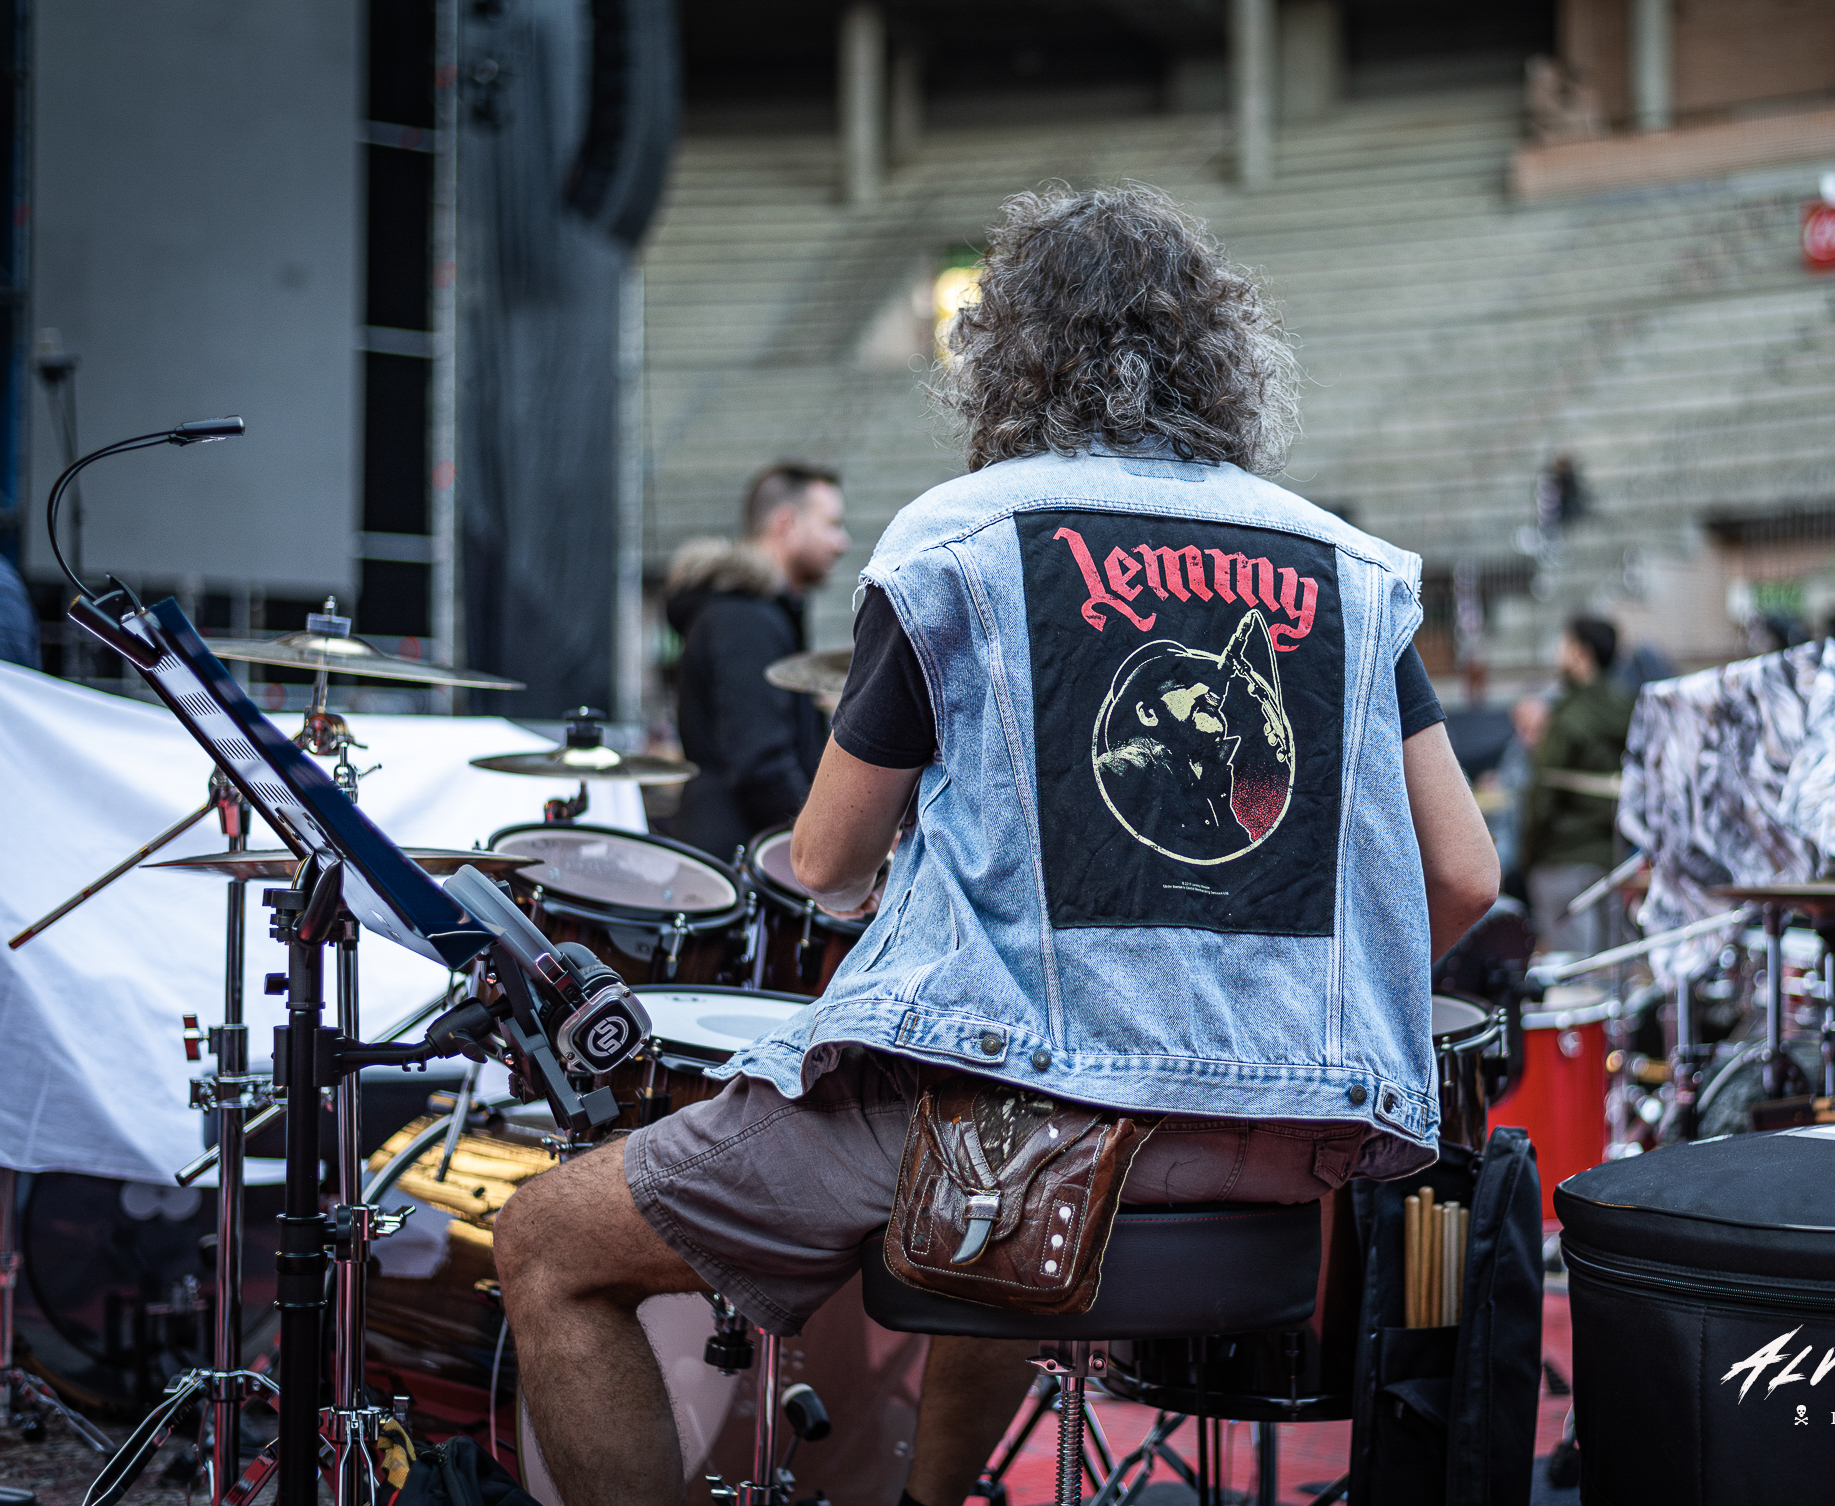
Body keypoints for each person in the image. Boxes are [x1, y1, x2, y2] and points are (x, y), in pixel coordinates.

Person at [493, 183, 1500, 1506]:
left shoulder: (961, 539)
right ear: (1224, 355)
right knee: (995, 1202)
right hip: (1286, 1136)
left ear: (1007, 355)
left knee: (547, 1241)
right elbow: (1465, 875)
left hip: (1011, 1115)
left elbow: (826, 863)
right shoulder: (1352, 571)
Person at [666, 463, 852, 860]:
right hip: (736, 863)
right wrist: (823, 846)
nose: (842, 543)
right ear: (786, 523)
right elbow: (760, 764)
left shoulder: (760, 614)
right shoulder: (745, 620)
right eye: (832, 525)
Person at [1520, 616, 1634, 955]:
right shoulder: (1629, 710)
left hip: (1562, 859)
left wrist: (1528, 857)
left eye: (1564, 644)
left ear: (1581, 653)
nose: (1558, 652)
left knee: (1574, 971)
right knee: (1613, 969)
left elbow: (1542, 797)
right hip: (1613, 859)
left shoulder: (1568, 718)